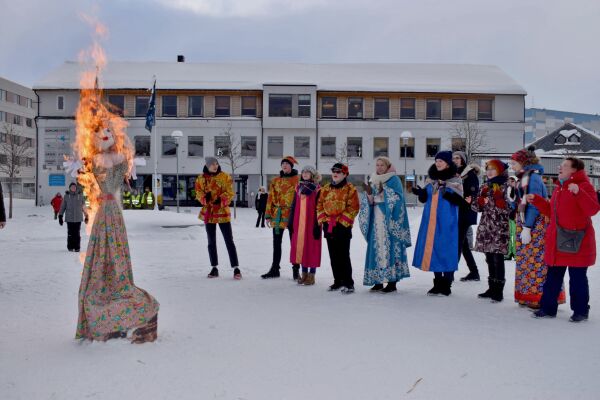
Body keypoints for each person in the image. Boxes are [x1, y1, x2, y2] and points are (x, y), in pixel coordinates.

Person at [76, 127, 159, 343]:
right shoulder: (100, 160)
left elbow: (115, 173)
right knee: (108, 244)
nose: (104, 136)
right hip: (108, 210)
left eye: (107, 134)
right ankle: (110, 284)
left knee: (110, 244)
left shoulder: (112, 160)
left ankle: (114, 283)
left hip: (109, 210)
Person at [528, 157, 600, 321]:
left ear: (575, 170)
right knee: (553, 277)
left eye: (565, 165)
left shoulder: (584, 186)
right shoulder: (559, 188)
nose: (560, 167)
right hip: (558, 241)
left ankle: (581, 311)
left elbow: (593, 209)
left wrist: (579, 193)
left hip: (578, 242)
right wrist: (538, 201)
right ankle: (548, 308)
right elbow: (552, 213)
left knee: (577, 279)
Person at [510, 146, 565, 308]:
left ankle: (539, 297)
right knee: (527, 262)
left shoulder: (531, 178)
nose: (512, 166)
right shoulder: (524, 177)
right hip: (526, 222)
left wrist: (527, 227)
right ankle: (528, 295)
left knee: (536, 263)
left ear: (523, 162)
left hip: (534, 225)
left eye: (514, 163)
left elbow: (534, 205)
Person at [411, 151, 464, 296]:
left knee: (446, 249)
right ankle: (437, 283)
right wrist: (420, 193)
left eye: (441, 161)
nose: (438, 163)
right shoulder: (431, 179)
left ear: (447, 163)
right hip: (431, 221)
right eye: (436, 160)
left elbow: (460, 201)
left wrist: (445, 191)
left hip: (447, 221)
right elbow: (424, 199)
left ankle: (446, 284)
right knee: (433, 249)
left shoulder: (455, 180)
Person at [359, 156, 411, 293]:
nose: (379, 167)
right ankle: (378, 281)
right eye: (377, 165)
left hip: (389, 220)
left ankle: (392, 282)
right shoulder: (373, 179)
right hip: (375, 219)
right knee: (377, 248)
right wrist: (369, 196)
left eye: (382, 165)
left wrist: (385, 193)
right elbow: (368, 201)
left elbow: (399, 199)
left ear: (387, 166)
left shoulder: (393, 180)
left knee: (390, 248)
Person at [470, 160, 512, 302]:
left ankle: (498, 291)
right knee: (488, 259)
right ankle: (491, 287)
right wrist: (478, 202)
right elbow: (476, 208)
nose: (489, 171)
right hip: (486, 228)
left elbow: (510, 209)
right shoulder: (485, 186)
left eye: (493, 169)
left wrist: (501, 203)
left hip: (499, 228)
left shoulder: (506, 186)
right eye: (487, 169)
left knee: (497, 259)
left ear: (500, 170)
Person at [195, 157, 241, 280]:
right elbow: (198, 192)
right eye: (212, 164)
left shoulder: (225, 176)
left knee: (229, 240)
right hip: (209, 213)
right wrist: (205, 198)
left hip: (222, 212)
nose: (215, 166)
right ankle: (214, 267)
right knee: (211, 241)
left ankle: (236, 268)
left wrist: (221, 199)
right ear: (207, 166)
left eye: (216, 164)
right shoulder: (201, 178)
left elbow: (230, 192)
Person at [317, 163, 360, 293]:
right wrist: (324, 220)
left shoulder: (350, 189)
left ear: (345, 174)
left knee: (343, 255)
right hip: (329, 226)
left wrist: (341, 222)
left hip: (343, 227)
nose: (335, 173)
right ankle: (338, 281)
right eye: (334, 171)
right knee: (333, 255)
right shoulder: (325, 189)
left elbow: (353, 208)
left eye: (339, 172)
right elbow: (319, 205)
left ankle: (348, 282)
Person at [261, 156, 301, 279]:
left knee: (294, 243)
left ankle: (296, 270)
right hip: (278, 215)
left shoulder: (298, 180)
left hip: (292, 214)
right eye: (282, 163)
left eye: (287, 164)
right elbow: (271, 198)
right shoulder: (275, 180)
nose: (284, 165)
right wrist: (268, 215)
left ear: (291, 166)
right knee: (276, 243)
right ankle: (275, 269)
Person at [288, 166, 322, 285]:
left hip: (312, 222)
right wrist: (290, 221)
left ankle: (311, 275)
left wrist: (318, 224)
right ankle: (304, 274)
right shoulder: (298, 187)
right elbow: (294, 205)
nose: (305, 173)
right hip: (299, 223)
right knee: (301, 248)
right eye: (303, 172)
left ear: (312, 174)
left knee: (311, 248)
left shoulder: (317, 188)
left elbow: (319, 207)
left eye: (308, 172)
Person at [452, 151, 481, 281]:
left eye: (457, 158)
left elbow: (472, 195)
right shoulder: (455, 174)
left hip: (465, 212)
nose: (455, 160)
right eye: (453, 158)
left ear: (463, 160)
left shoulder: (469, 174)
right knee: (463, 245)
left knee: (457, 243)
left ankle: (449, 274)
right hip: (458, 212)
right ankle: (474, 272)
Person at [58, 183, 88, 252]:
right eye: (72, 187)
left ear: (76, 188)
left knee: (77, 233)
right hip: (69, 218)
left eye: (74, 187)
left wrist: (86, 215)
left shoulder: (80, 196)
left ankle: (77, 247)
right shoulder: (66, 196)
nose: (73, 188)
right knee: (70, 233)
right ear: (70, 188)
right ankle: (70, 247)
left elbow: (84, 207)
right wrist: (60, 216)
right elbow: (63, 207)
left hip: (78, 218)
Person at [505, 176, 518, 260]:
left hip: (516, 216)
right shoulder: (506, 190)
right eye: (509, 180)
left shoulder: (518, 190)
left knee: (516, 235)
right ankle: (509, 253)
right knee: (509, 235)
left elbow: (515, 203)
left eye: (513, 180)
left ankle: (516, 253)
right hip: (508, 215)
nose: (511, 182)